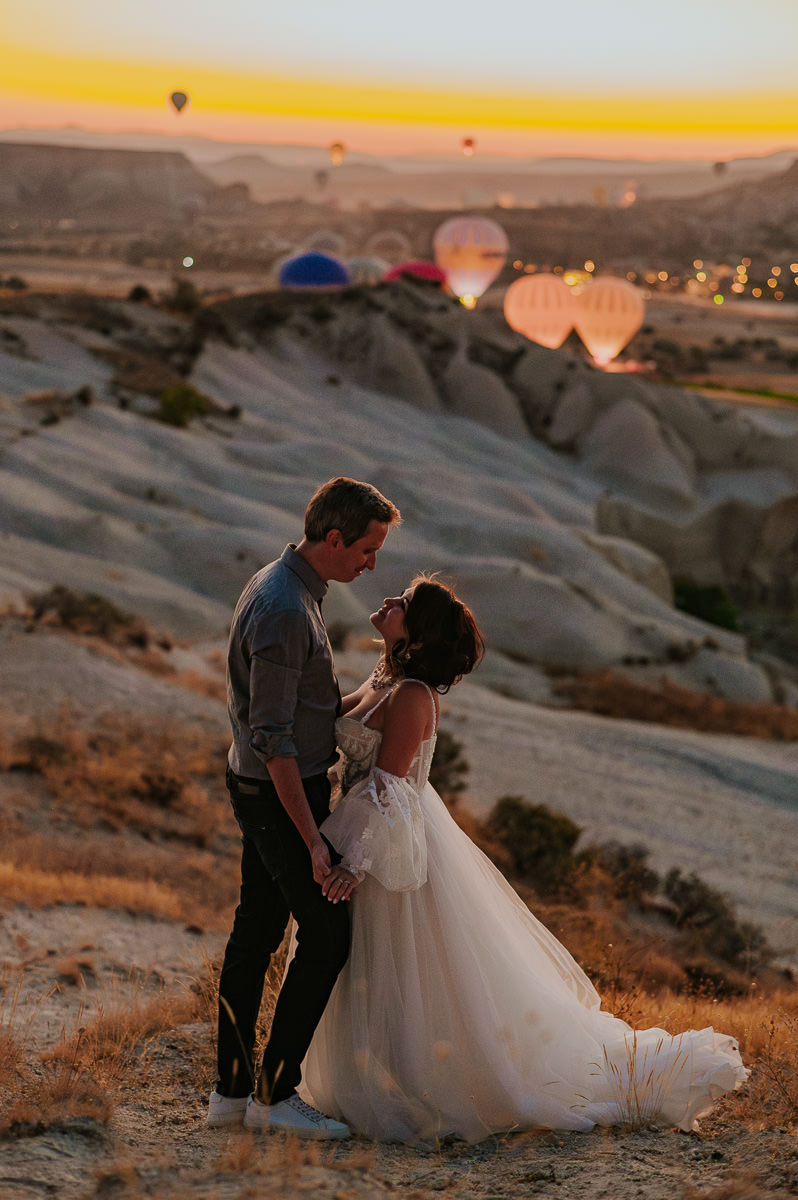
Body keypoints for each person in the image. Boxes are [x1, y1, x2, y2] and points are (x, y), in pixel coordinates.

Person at [296, 576, 749, 1144]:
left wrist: (352, 864)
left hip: (392, 845)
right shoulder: (385, 675)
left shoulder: (413, 696)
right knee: (375, 970)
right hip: (364, 830)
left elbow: (389, 790)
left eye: (404, 604)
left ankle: (434, 1084)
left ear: (419, 631)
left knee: (415, 972)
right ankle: (384, 1078)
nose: (388, 602)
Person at [208, 476, 401, 1139]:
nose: (371, 564)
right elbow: (275, 740)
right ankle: (272, 1096)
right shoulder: (288, 609)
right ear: (334, 538)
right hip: (277, 794)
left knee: (257, 934)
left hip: (264, 787)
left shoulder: (285, 585)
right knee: (325, 935)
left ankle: (231, 1096)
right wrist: (314, 842)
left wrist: (380, 685)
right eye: (368, 550)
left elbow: (303, 715)